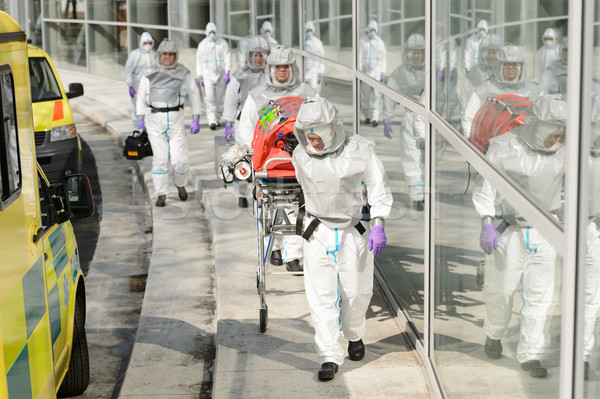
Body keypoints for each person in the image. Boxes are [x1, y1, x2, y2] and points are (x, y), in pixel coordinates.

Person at [290, 96, 393, 381]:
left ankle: (355, 333)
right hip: (317, 231)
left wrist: (379, 222)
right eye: (307, 132)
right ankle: (328, 356)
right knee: (320, 297)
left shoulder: (360, 151)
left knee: (356, 292)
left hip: (353, 232)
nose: (313, 138)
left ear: (333, 127)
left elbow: (378, 186)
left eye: (318, 130)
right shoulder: (300, 154)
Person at [473, 94, 567, 378]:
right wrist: (487, 222)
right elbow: (486, 187)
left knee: (540, 296)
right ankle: (494, 332)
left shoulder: (565, 151)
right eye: (553, 129)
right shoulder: (504, 147)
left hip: (546, 230)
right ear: (537, 124)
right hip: (509, 230)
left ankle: (530, 355)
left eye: (562, 130)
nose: (557, 137)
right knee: (501, 290)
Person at [238, 45, 316, 272]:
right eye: (277, 67)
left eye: (286, 66)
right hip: (267, 164)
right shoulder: (257, 96)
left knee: (295, 206)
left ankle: (293, 255)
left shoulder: (307, 94)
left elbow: (321, 122)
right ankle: (275, 248)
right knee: (269, 208)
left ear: (293, 68)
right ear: (270, 69)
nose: (282, 71)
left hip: (298, 162)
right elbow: (246, 129)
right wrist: (252, 157)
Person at [136, 38, 202, 208]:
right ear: (159, 55)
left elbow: (194, 95)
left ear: (175, 56)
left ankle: (180, 184)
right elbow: (141, 96)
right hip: (154, 120)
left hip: (176, 121)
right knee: (159, 159)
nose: (167, 57)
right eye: (164, 54)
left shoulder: (184, 73)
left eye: (170, 54)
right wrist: (140, 117)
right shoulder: (149, 73)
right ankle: (161, 193)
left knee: (180, 160)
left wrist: (196, 117)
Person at [222, 36, 270, 208]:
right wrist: (227, 123)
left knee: (263, 158)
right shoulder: (239, 76)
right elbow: (230, 99)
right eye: (256, 55)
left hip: (265, 123)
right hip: (243, 122)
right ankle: (241, 192)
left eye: (262, 55)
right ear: (249, 56)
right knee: (242, 159)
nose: (258, 59)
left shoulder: (271, 75)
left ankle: (260, 191)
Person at [382, 33, 426, 210]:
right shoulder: (400, 73)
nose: (416, 56)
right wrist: (387, 117)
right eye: (413, 52)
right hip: (410, 118)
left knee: (427, 158)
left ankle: (426, 190)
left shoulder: (431, 70)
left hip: (429, 119)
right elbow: (390, 95)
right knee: (411, 157)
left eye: (420, 52)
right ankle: (417, 197)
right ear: (407, 54)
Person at [462, 42, 541, 138]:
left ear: (521, 67)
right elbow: (469, 119)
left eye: (514, 64)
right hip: (491, 146)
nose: (510, 67)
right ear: (498, 66)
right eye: (506, 64)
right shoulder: (483, 91)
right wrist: (473, 148)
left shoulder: (534, 91)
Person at [196, 22, 232, 130]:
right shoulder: (202, 45)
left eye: (213, 31)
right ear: (207, 32)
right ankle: (211, 119)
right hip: (208, 74)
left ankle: (217, 117)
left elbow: (227, 57)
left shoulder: (222, 43)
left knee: (220, 98)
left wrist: (227, 72)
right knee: (209, 97)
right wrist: (200, 75)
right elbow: (199, 61)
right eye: (210, 32)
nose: (212, 33)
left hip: (221, 73)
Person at [459, 33, 502, 113]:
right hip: (479, 117)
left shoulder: (504, 72)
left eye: (494, 52)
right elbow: (465, 98)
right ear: (483, 54)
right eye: (488, 53)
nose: (492, 56)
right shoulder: (475, 74)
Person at [123, 32, 157, 124]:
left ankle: (148, 125)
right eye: (146, 43)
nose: (148, 45)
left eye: (150, 43)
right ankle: (137, 124)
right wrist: (130, 85)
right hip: (137, 84)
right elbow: (127, 70)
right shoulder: (135, 54)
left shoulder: (153, 54)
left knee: (149, 105)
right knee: (138, 106)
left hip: (150, 84)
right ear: (142, 43)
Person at [358, 20, 386, 127]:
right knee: (365, 96)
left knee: (376, 96)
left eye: (374, 30)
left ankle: (375, 117)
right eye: (371, 29)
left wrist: (382, 72)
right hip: (365, 73)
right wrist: (359, 71)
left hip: (376, 73)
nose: (372, 32)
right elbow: (359, 56)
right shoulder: (363, 41)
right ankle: (367, 116)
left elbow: (383, 58)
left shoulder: (380, 43)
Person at [303, 21, 325, 91]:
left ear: (313, 31)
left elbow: (321, 58)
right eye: (307, 31)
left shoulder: (317, 42)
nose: (309, 33)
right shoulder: (304, 43)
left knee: (314, 91)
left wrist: (319, 75)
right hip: (306, 70)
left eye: (310, 30)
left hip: (315, 70)